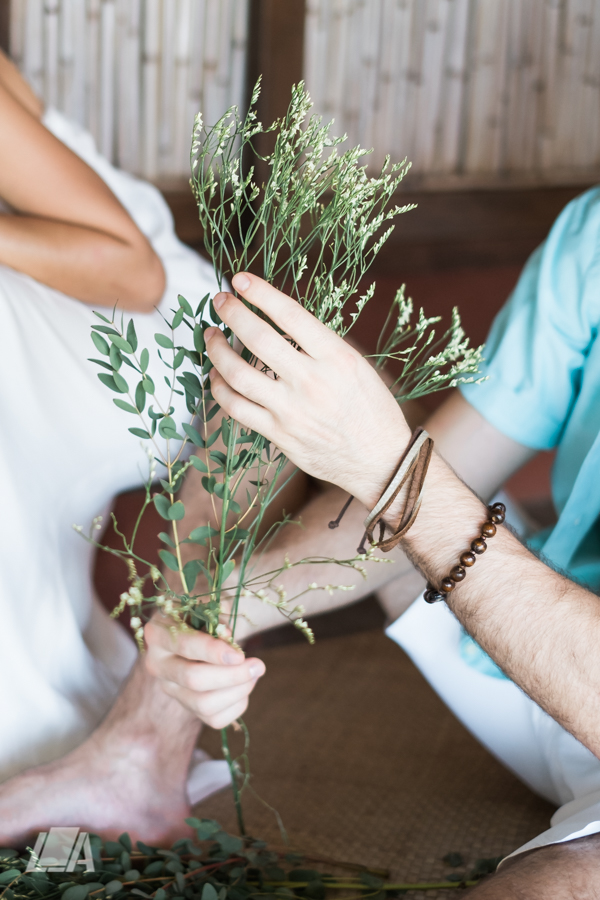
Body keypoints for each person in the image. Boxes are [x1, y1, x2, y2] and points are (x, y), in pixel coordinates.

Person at [145, 264, 600, 899]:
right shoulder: (590, 238)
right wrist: (213, 619)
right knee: (280, 350)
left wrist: (387, 463)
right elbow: (436, 474)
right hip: (519, 645)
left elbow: (409, 484)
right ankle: (144, 740)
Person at [0, 51, 273, 844]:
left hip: (172, 338)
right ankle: (55, 722)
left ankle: (34, 732)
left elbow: (134, 270)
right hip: (65, 320)